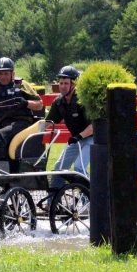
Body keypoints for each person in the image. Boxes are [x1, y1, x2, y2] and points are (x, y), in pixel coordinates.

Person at [0, 57, 43, 168]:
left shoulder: (22, 85)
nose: (3, 77)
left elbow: (39, 105)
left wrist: (26, 103)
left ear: (12, 74)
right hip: (1, 123)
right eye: (0, 74)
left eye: (6, 73)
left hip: (22, 123)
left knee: (0, 134)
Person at [46, 65, 93, 193]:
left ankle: (89, 203)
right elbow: (47, 123)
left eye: (66, 83)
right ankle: (53, 203)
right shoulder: (58, 102)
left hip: (91, 139)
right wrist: (31, 130)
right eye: (60, 83)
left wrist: (79, 136)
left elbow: (94, 126)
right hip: (76, 140)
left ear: (74, 84)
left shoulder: (82, 100)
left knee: (79, 168)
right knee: (58, 169)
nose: (62, 86)